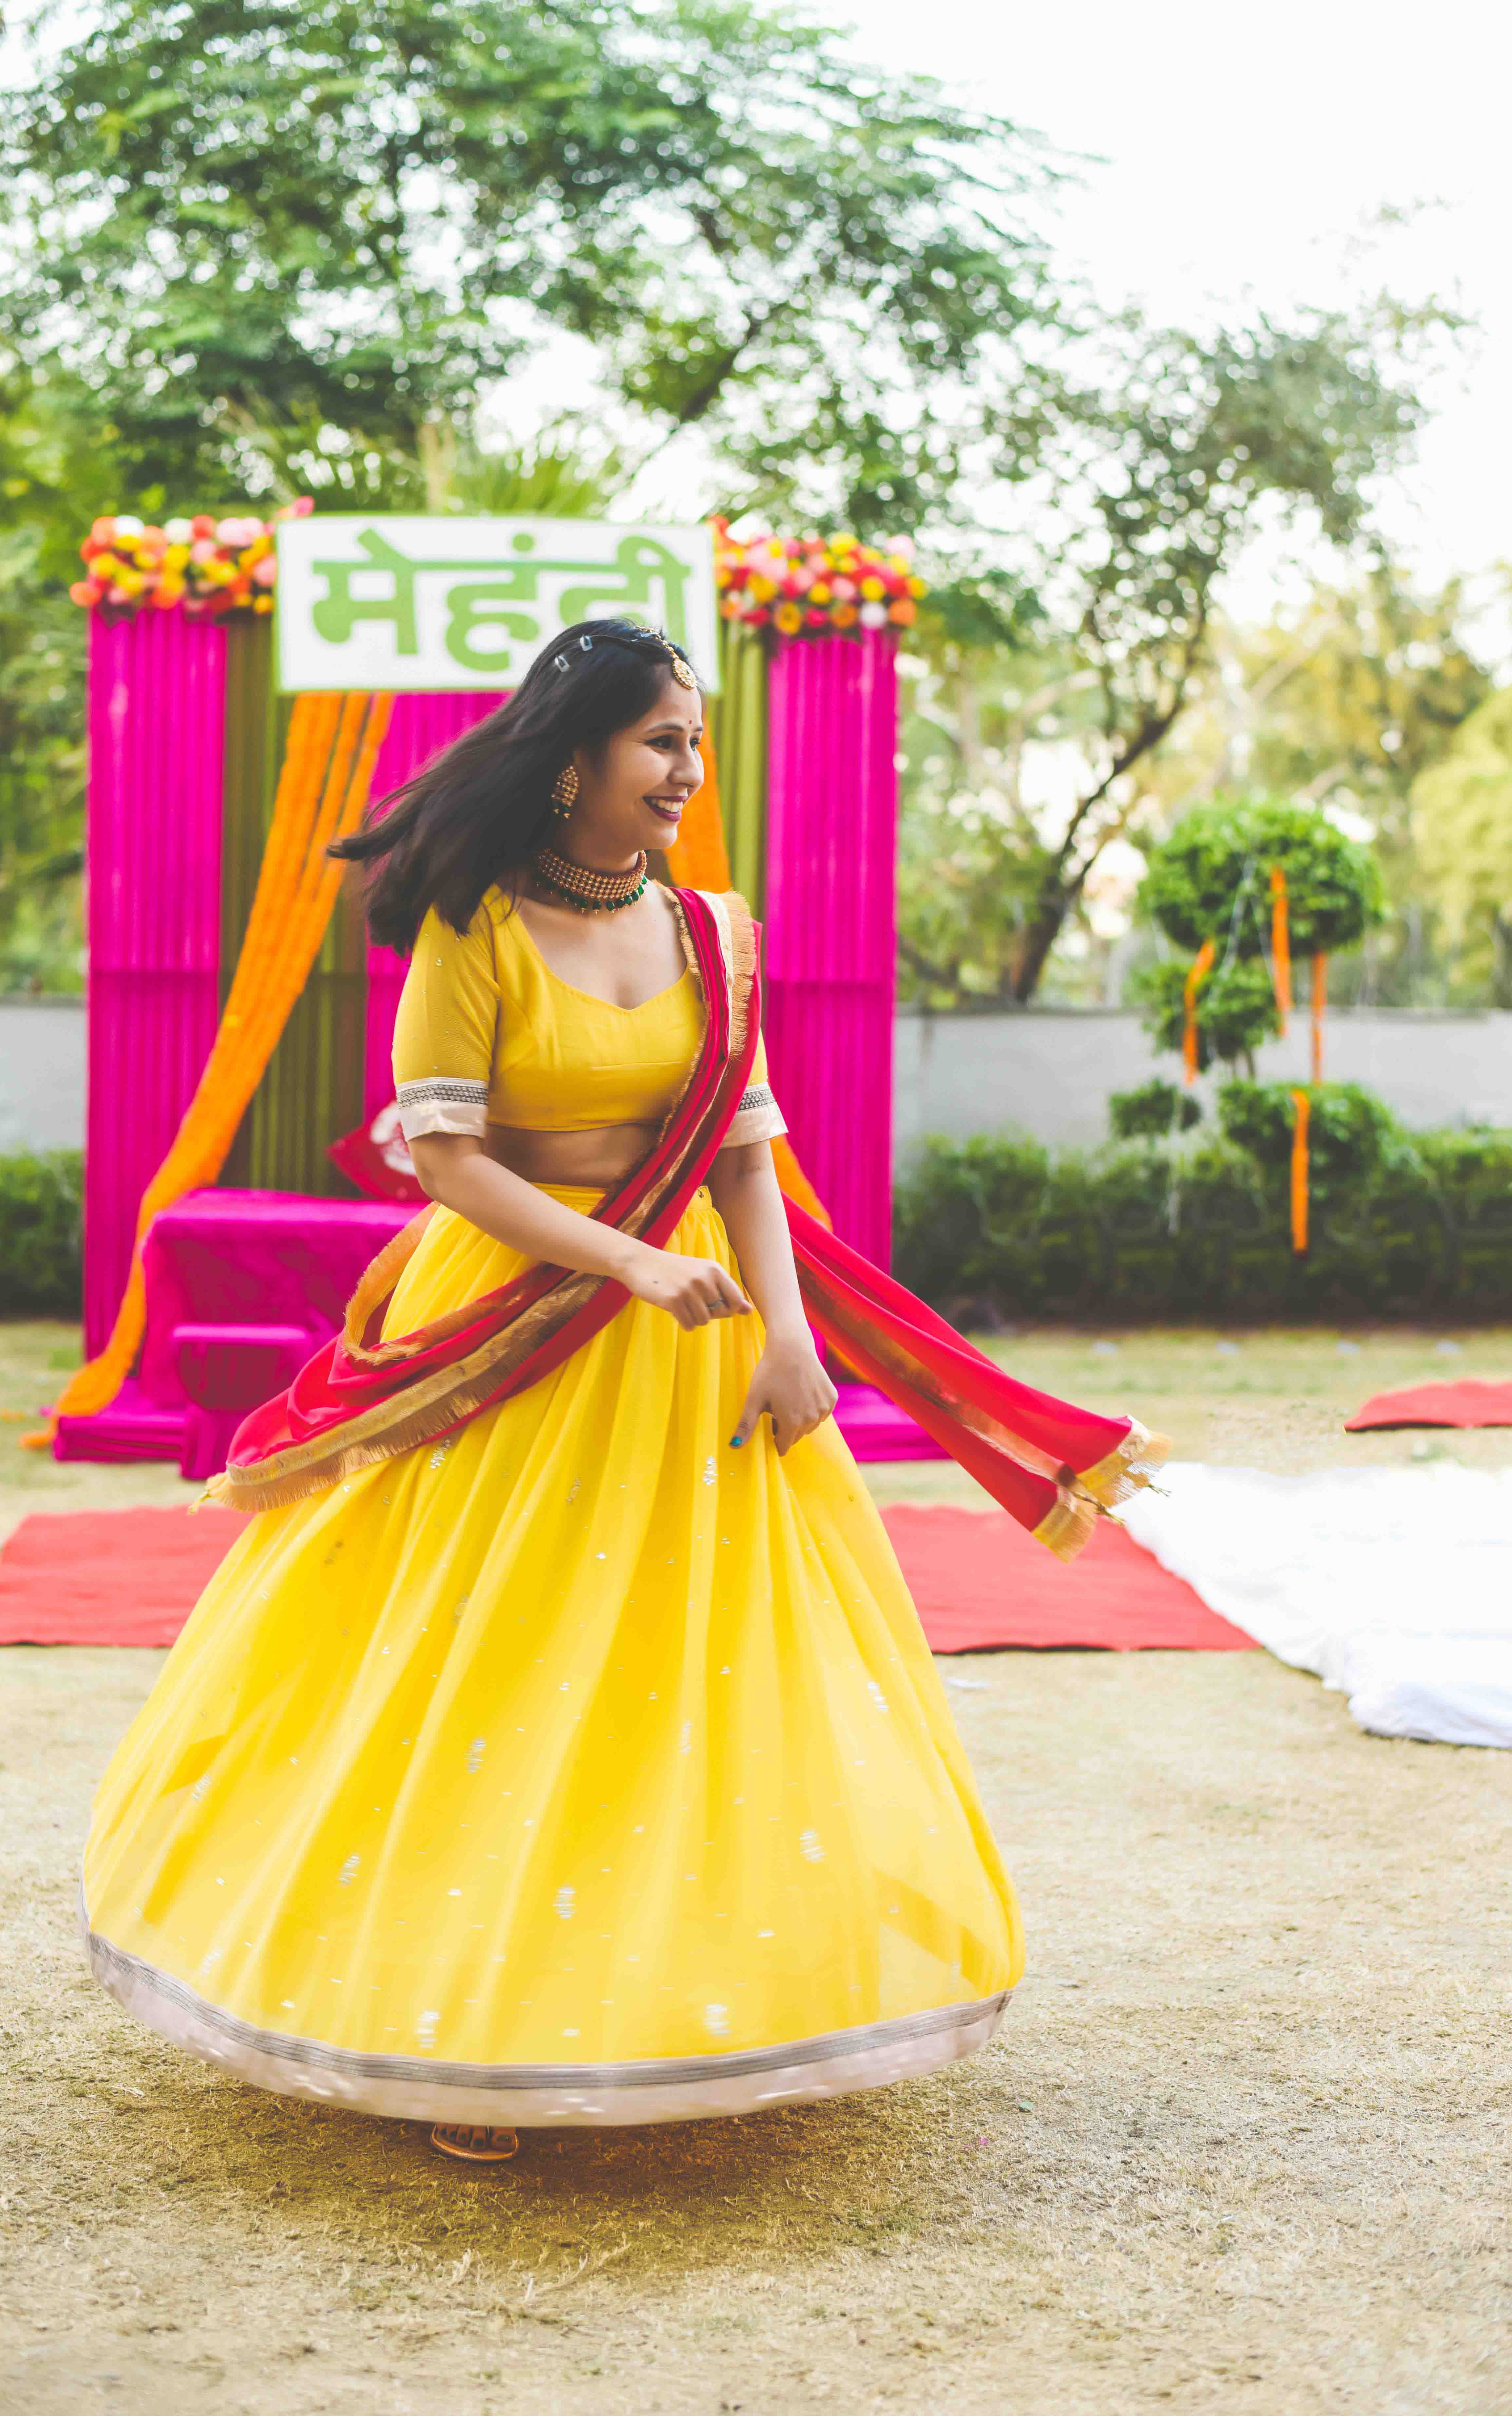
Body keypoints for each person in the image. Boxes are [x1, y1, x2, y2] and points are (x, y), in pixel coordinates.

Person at [81, 620, 1156, 2164]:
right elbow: (442, 1157)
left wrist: (790, 1332)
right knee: (495, 1671)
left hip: (697, 1342)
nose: (687, 771)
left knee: (685, 1679)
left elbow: (744, 1148)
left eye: (697, 742)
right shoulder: (475, 922)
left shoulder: (719, 930)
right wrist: (626, 1263)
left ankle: (673, 2004)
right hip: (512, 1330)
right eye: (660, 741)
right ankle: (455, 2030)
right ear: (574, 753)